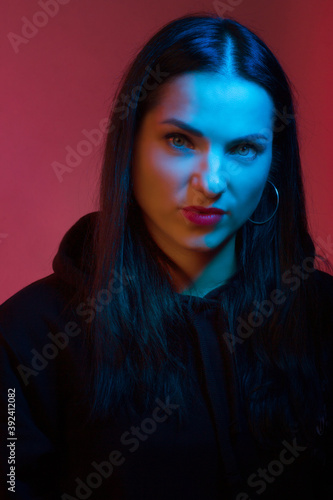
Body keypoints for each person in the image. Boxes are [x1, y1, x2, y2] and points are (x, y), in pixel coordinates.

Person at [1, 12, 333, 500]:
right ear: (130, 145)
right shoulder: (27, 338)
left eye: (243, 148)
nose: (211, 182)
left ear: (272, 163)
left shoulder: (323, 318)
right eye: (180, 140)